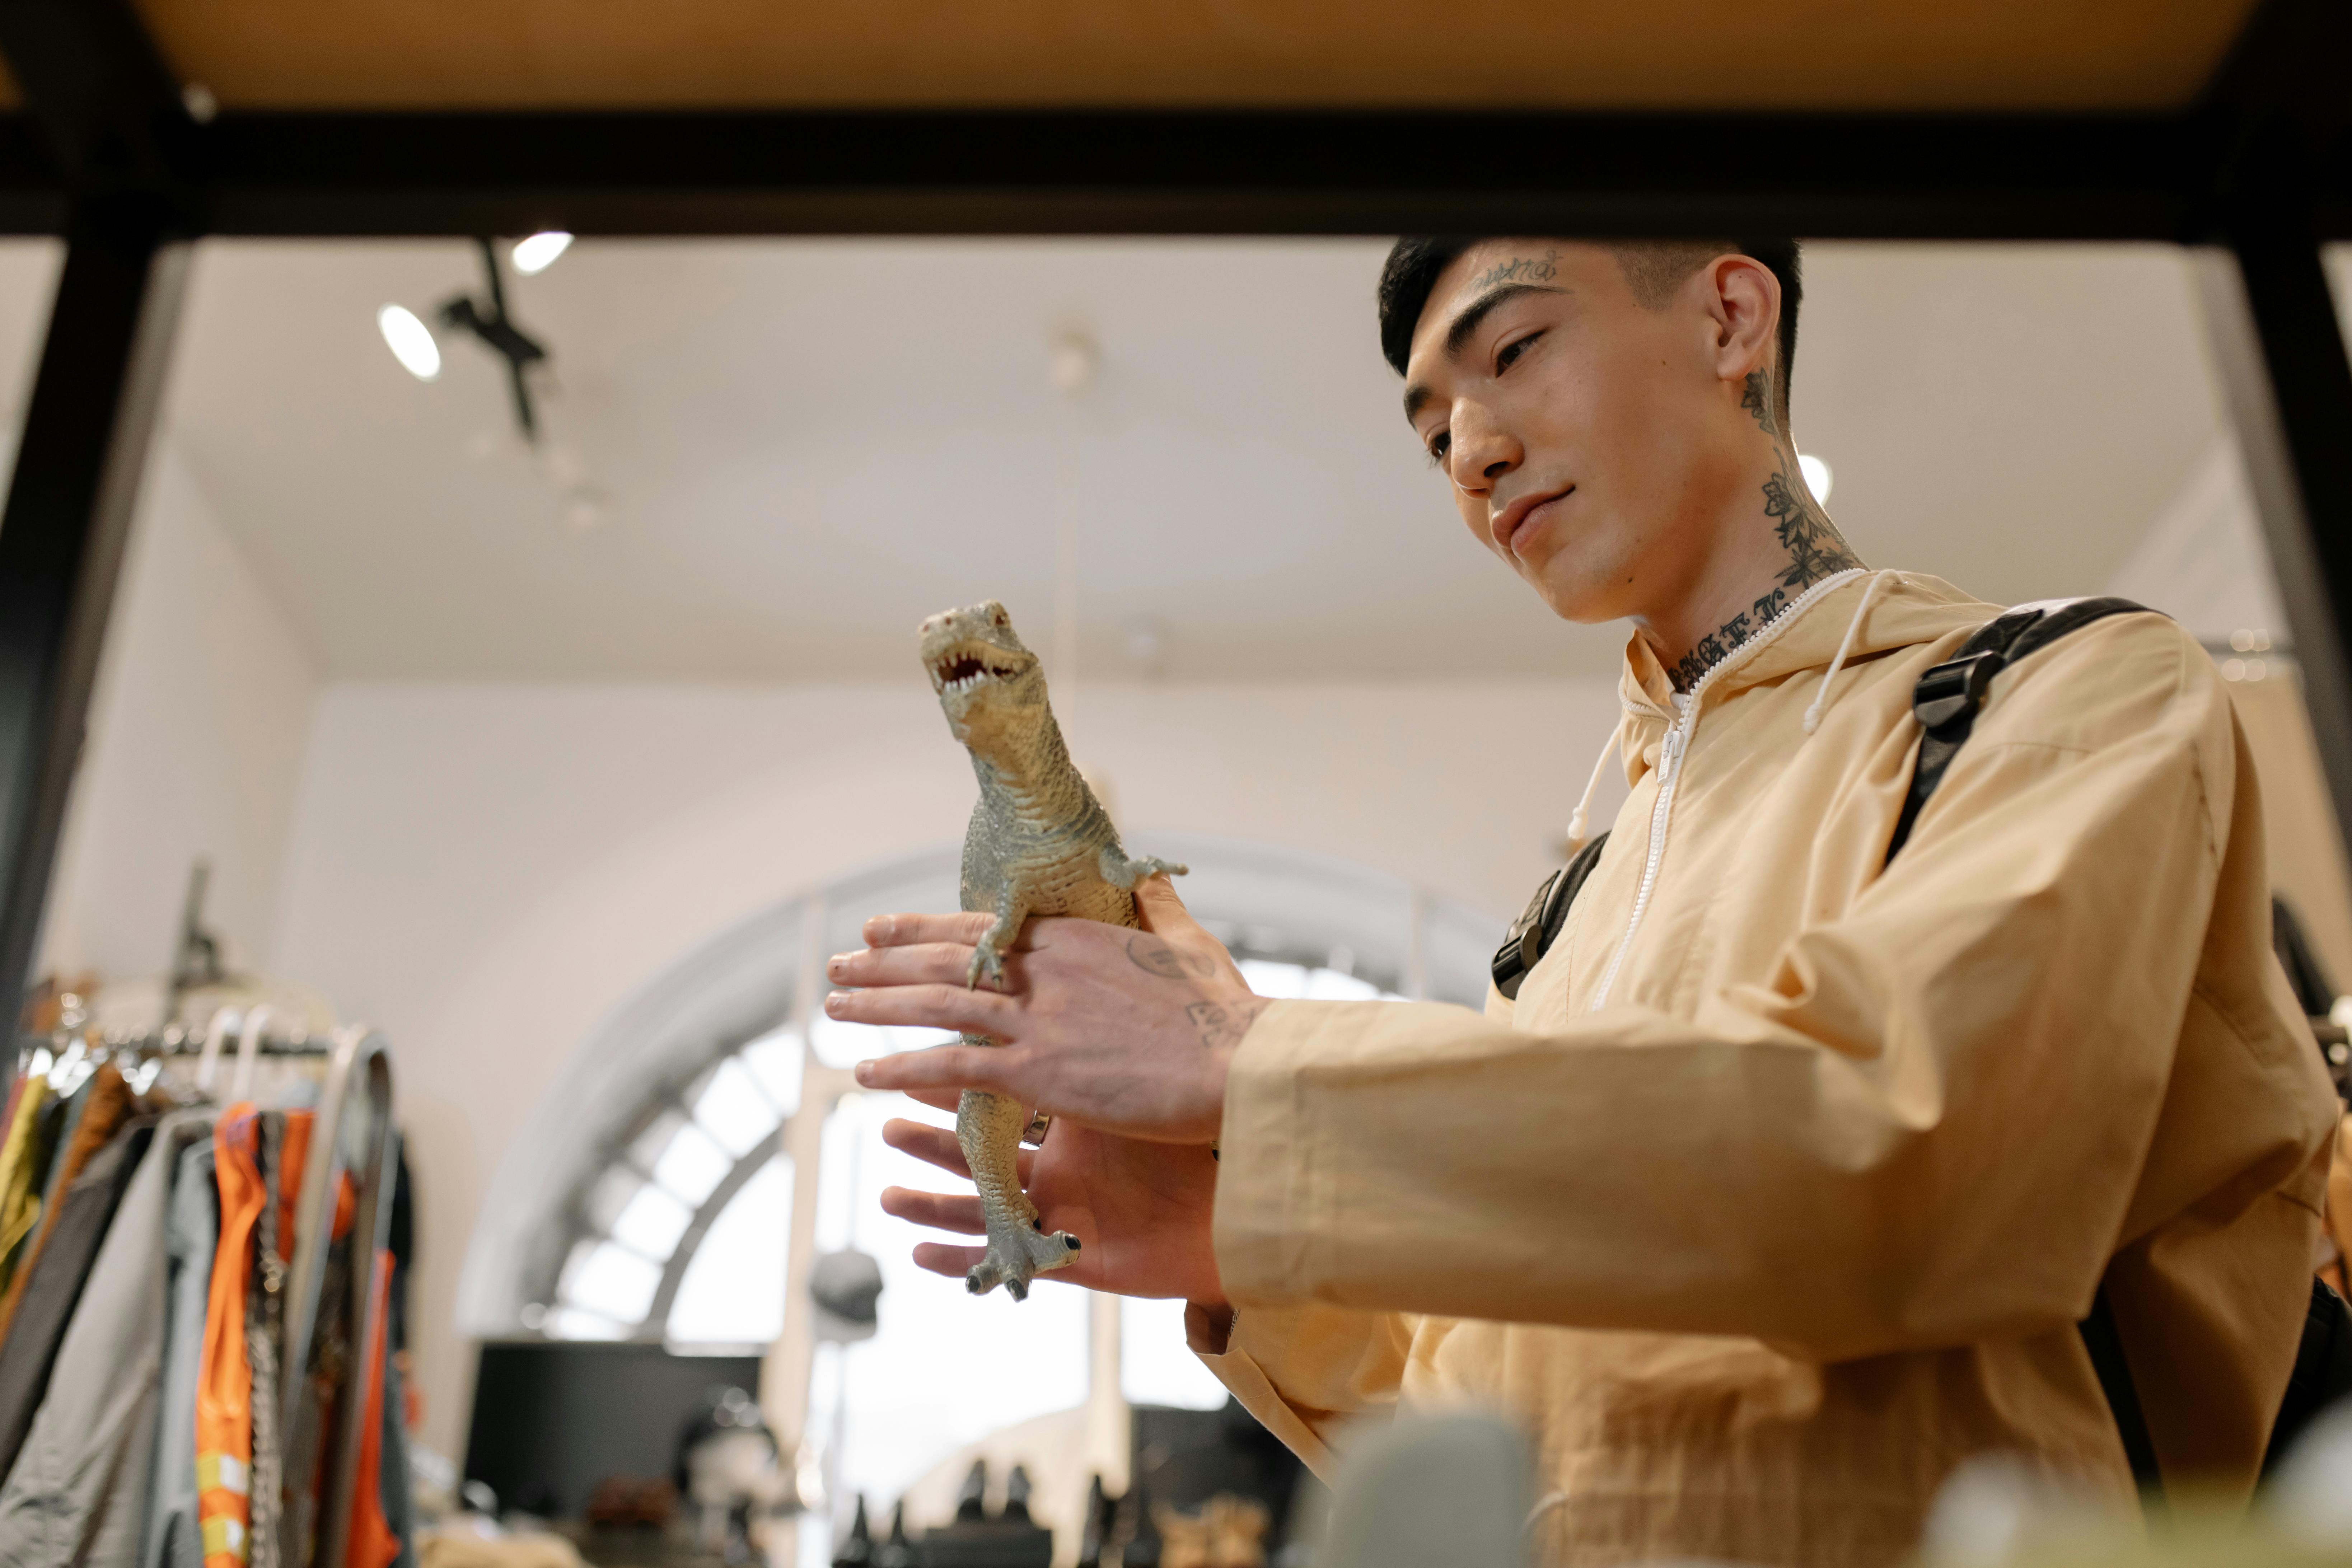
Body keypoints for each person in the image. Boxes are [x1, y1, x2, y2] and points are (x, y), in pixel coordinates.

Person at [827, 239, 2341, 1567]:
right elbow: (1521, 1429)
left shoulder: (2063, 688)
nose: (1470, 453)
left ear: (1731, 316)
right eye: (1429, 433)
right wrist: (1249, 1249)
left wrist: (1257, 1065)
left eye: (1513, 349)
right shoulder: (1571, 904)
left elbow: (1916, 1158)